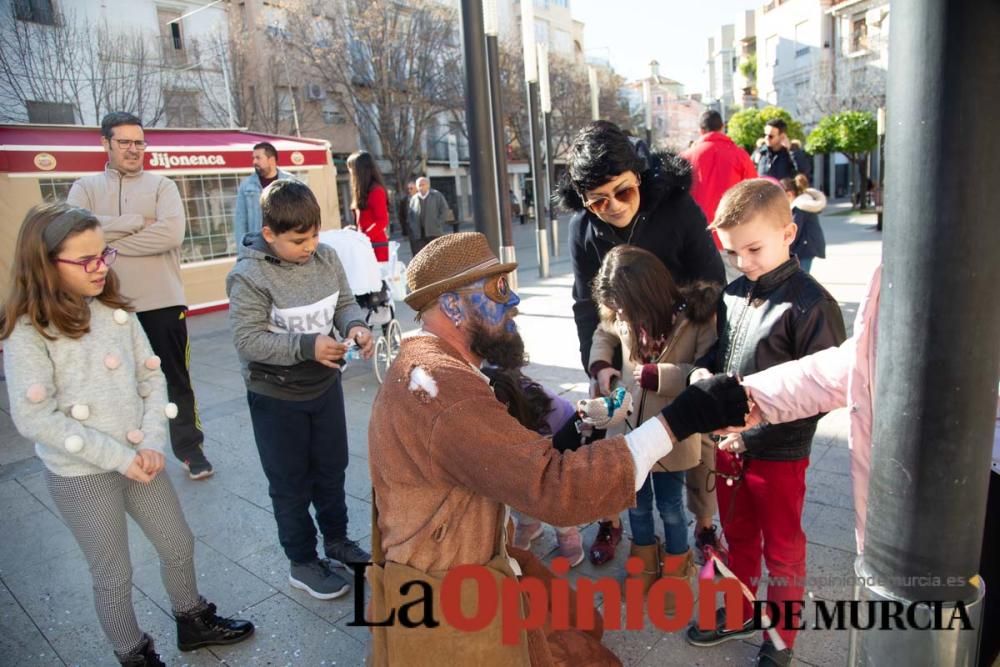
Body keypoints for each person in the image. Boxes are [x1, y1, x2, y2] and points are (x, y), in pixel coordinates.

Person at [366, 232, 752, 665]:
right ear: (453, 305)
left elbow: (502, 459)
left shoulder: (429, 367)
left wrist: (579, 427)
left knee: (575, 622)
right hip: (451, 594)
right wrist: (681, 418)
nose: (513, 302)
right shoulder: (443, 391)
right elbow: (555, 491)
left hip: (458, 566)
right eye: (497, 290)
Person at [1, 203, 254, 667]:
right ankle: (132, 652)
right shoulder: (27, 331)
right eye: (86, 260)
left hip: (144, 458)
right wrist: (121, 457)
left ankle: (191, 618)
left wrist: (153, 443)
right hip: (82, 475)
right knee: (113, 573)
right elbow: (35, 418)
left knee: (177, 543)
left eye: (105, 254)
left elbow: (151, 377)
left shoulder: (115, 310)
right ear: (44, 264)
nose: (101, 268)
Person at [683, 179, 846, 667]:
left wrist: (750, 428)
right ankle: (738, 612)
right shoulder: (732, 295)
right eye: (733, 252)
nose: (743, 261)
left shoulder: (811, 304)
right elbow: (721, 351)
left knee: (783, 548)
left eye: (753, 248)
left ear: (789, 233)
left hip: (779, 453)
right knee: (737, 537)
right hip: (730, 446)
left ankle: (782, 638)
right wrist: (701, 374)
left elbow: (823, 390)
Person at [557, 120, 726, 566]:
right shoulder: (582, 229)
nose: (612, 206)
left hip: (682, 340)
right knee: (612, 440)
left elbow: (713, 287)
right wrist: (596, 367)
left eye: (622, 192)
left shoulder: (679, 210)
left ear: (640, 178)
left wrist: (707, 368)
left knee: (696, 444)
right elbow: (585, 305)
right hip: (624, 350)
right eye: (597, 201)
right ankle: (613, 522)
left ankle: (705, 527)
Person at [226, 180, 373, 601]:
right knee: (290, 482)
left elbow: (344, 302)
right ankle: (302, 561)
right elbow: (248, 340)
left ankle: (338, 541)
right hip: (275, 396)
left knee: (332, 469)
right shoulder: (249, 275)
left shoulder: (326, 257)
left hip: (324, 386)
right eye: (298, 240)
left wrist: (355, 326)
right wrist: (307, 345)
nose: (310, 246)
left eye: (314, 235)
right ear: (270, 234)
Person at [67, 112, 212, 480]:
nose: (134, 150)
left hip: (161, 302)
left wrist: (107, 241)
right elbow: (75, 236)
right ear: (106, 143)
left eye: (139, 142)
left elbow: (170, 235)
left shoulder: (163, 186)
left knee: (176, 381)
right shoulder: (83, 188)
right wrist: (134, 222)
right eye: (125, 142)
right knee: (112, 384)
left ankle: (190, 449)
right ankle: (123, 452)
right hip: (103, 306)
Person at [589, 245, 722, 612]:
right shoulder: (621, 312)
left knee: (671, 507)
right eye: (617, 309)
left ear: (646, 293)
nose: (621, 315)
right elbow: (604, 331)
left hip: (673, 434)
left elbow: (704, 373)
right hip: (630, 431)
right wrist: (601, 365)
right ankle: (642, 566)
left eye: (625, 308)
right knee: (637, 505)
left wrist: (659, 375)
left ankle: (679, 569)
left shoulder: (697, 317)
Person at [482, 366, 586, 567]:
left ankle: (566, 531)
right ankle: (529, 523)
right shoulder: (494, 406)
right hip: (527, 444)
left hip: (560, 440)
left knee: (551, 490)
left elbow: (544, 470)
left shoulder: (541, 413)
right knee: (518, 484)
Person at [680, 110, 757, 254]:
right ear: (722, 127)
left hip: (695, 239)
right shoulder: (740, 156)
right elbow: (754, 196)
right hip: (733, 238)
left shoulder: (685, 158)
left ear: (701, 130)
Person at [233, 142, 298, 247]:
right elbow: (240, 220)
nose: (254, 162)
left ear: (271, 160)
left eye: (258, 158)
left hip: (284, 243)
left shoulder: (290, 182)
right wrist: (242, 250)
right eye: (253, 158)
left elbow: (299, 214)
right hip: (258, 245)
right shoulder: (246, 185)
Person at [347, 151, 390, 262]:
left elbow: (382, 221)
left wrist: (363, 237)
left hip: (376, 246)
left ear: (360, 170)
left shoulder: (376, 190)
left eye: (351, 168)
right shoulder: (362, 190)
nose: (350, 171)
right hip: (366, 244)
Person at [780, 174, 827, 273]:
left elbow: (795, 231)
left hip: (805, 248)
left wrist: (783, 249)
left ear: (789, 194)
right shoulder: (804, 203)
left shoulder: (799, 207)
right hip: (807, 247)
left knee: (801, 277)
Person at [407, 176, 449, 255]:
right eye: (419, 185)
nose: (421, 187)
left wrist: (438, 223)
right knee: (423, 255)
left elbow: (444, 210)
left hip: (434, 231)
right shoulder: (414, 199)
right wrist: (413, 226)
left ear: (428, 185)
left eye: (423, 184)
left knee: (436, 253)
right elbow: (410, 215)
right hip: (419, 233)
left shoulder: (436, 195)